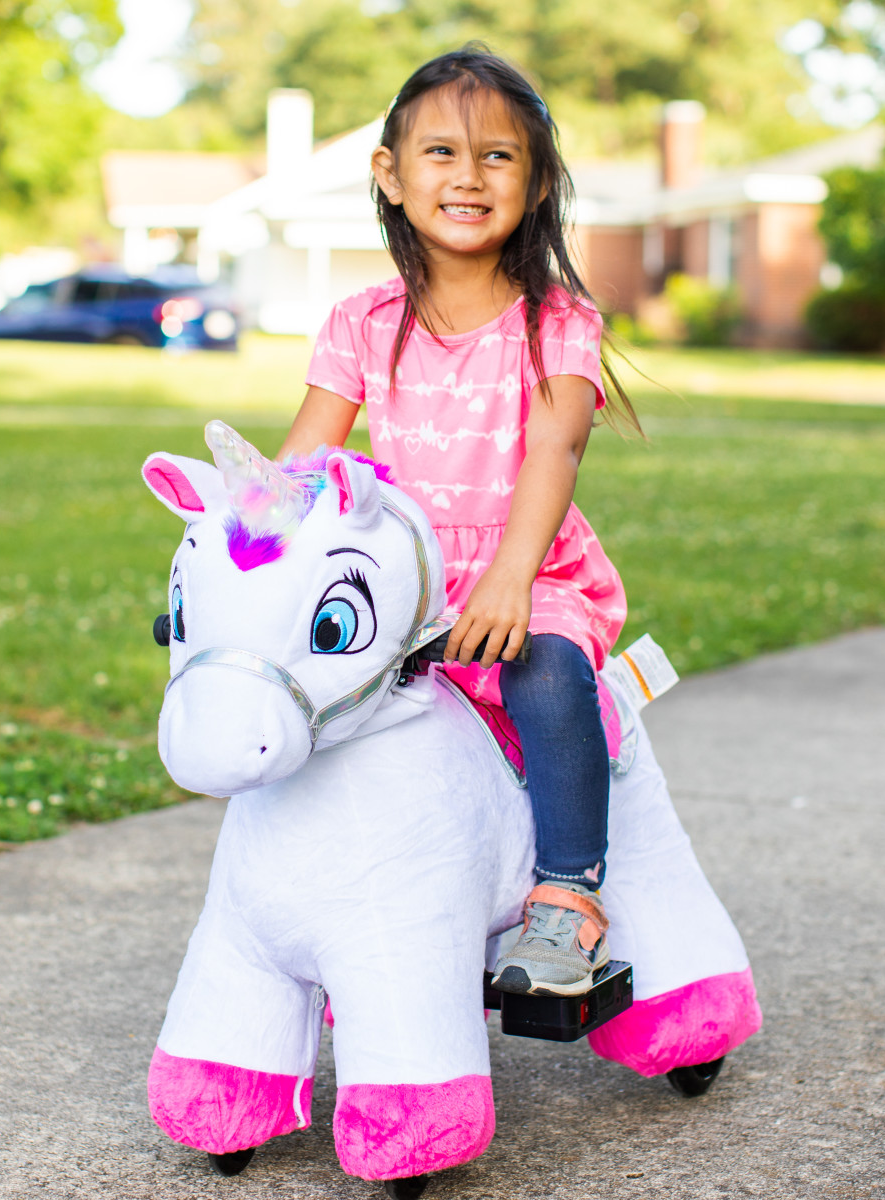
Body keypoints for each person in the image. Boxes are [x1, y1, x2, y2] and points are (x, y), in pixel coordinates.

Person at [275, 45, 641, 998]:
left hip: (534, 569)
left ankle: (568, 898)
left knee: (546, 666)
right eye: (439, 153)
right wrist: (251, 550)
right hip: (411, 588)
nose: (468, 177)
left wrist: (514, 577)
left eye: (498, 156)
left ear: (539, 180)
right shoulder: (362, 321)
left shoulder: (556, 320)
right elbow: (306, 462)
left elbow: (554, 451)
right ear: (390, 177)